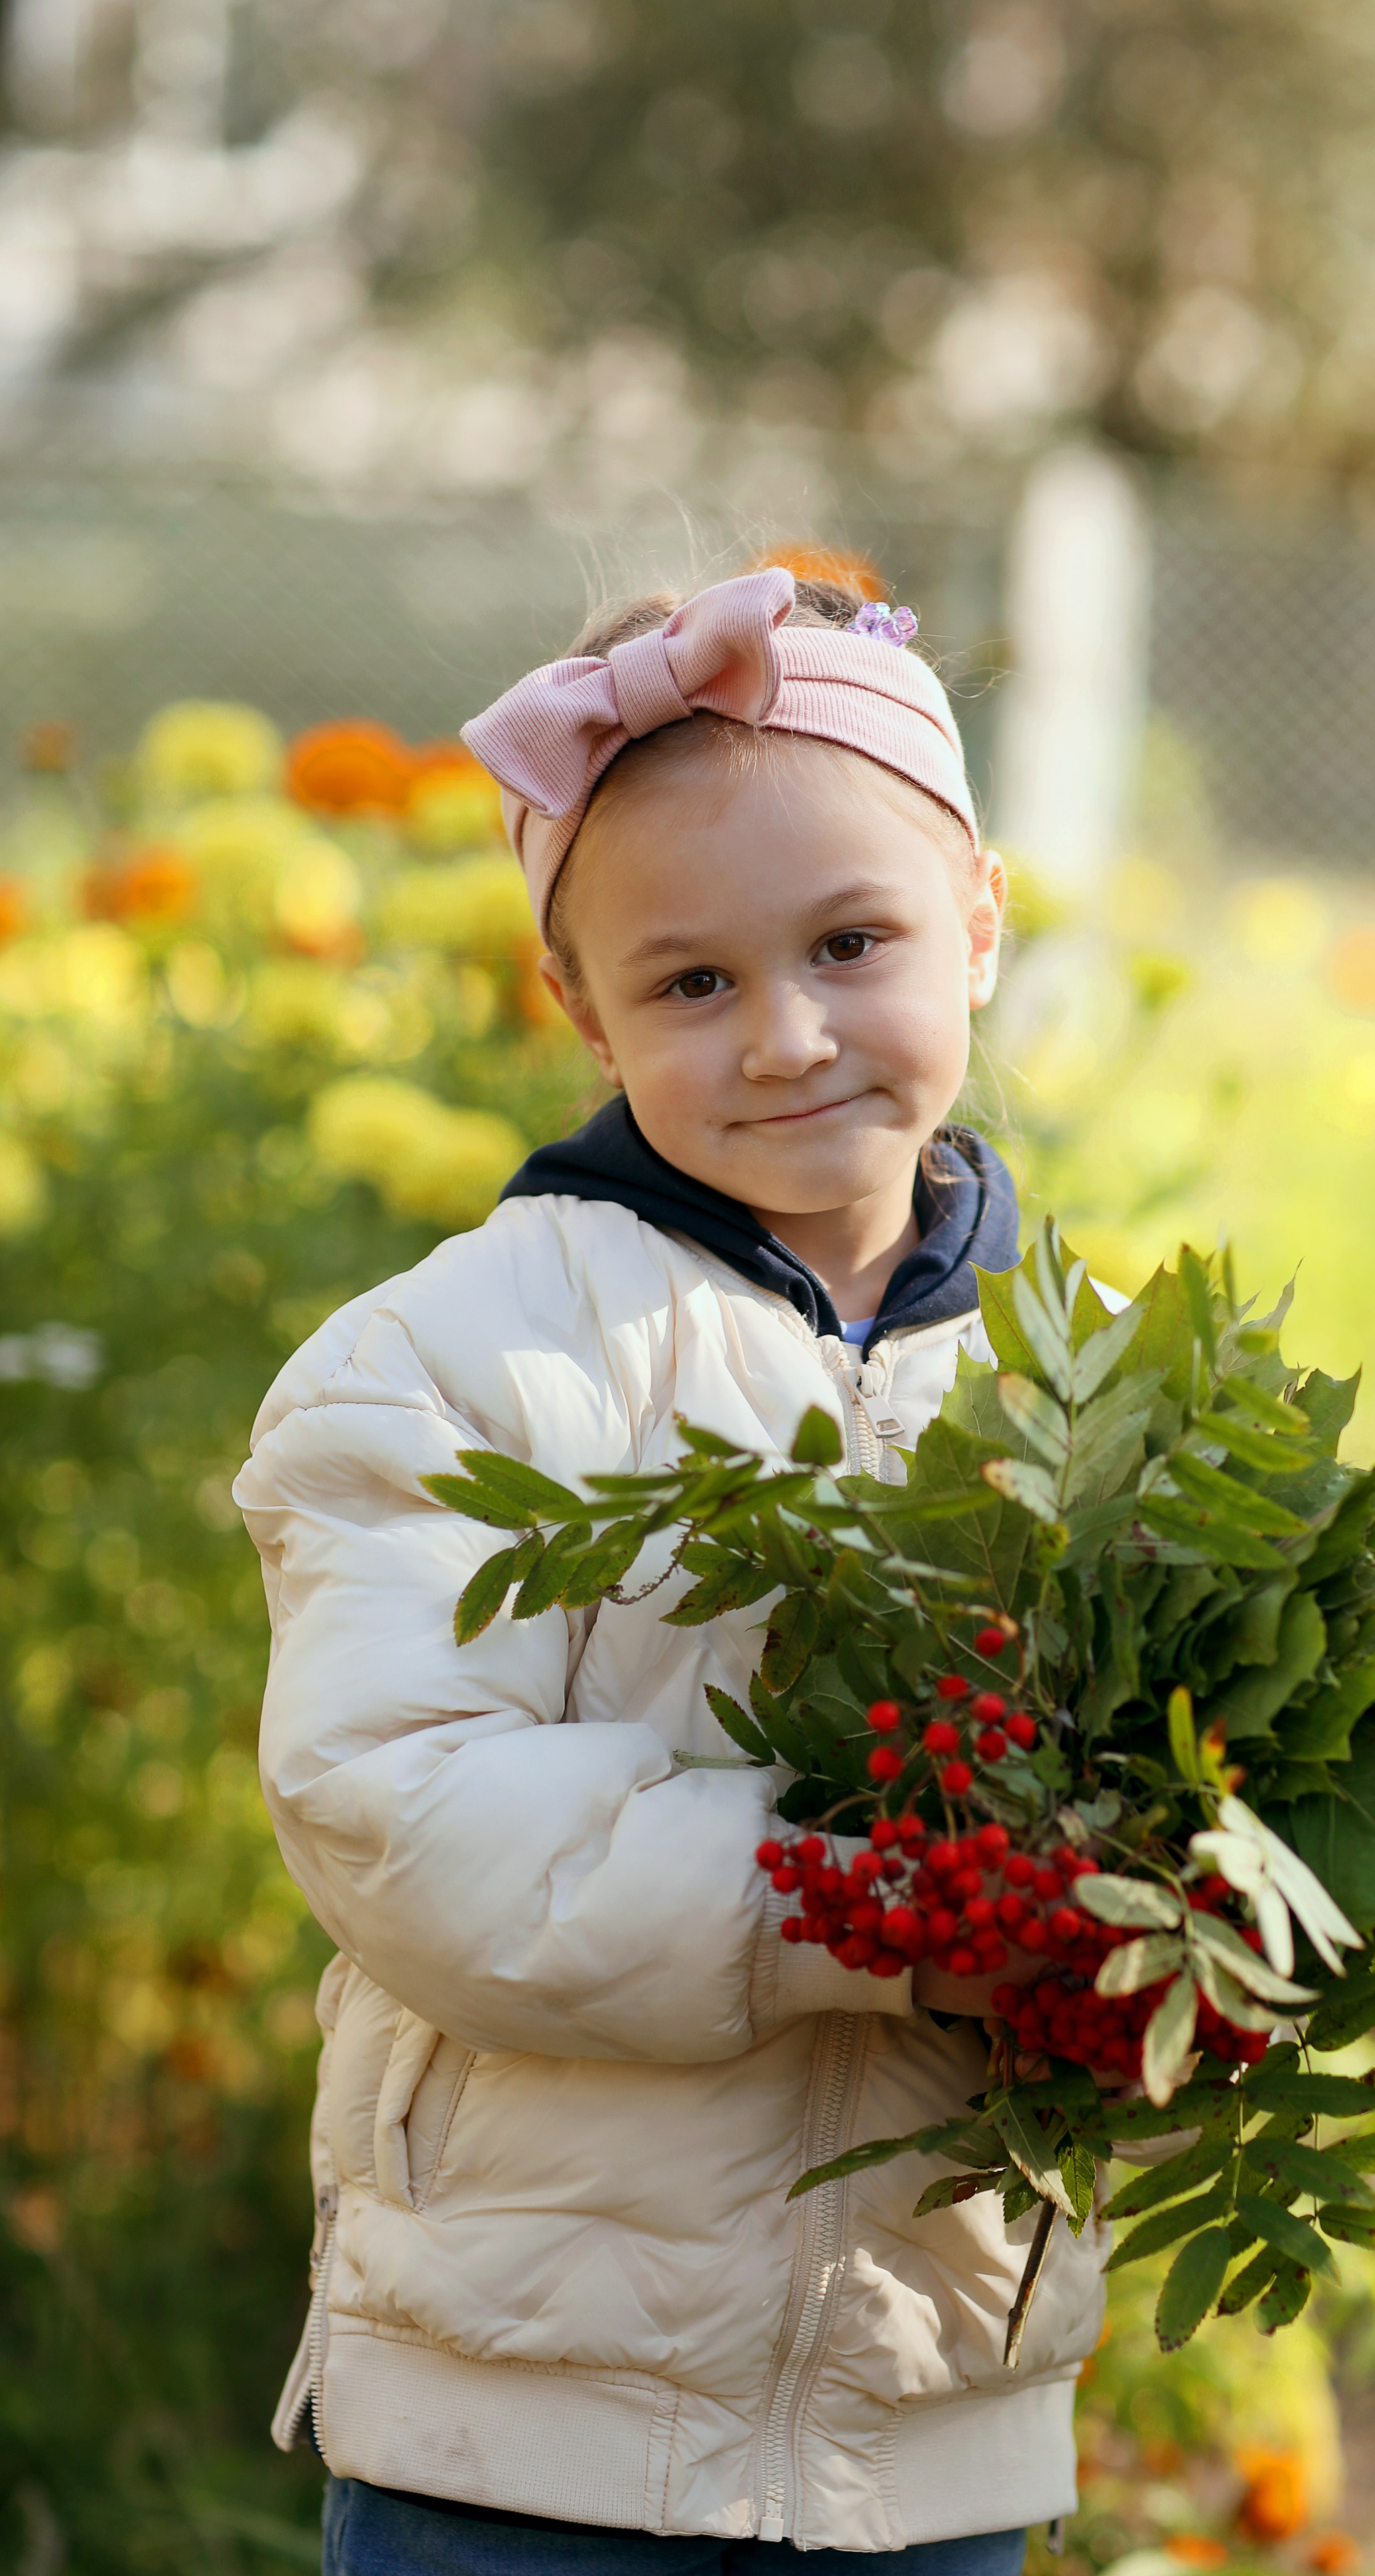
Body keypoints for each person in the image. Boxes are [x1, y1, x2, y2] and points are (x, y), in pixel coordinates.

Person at [235, 564, 1107, 2576]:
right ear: (582, 1006)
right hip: (527, 2435)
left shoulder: (1101, 1391)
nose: (788, 1037)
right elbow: (402, 1807)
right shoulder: (452, 1357)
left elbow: (1176, 1795)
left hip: (932, 2437)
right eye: (694, 984)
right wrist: (879, 1911)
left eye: (853, 943)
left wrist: (1185, 1941)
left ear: (981, 922)